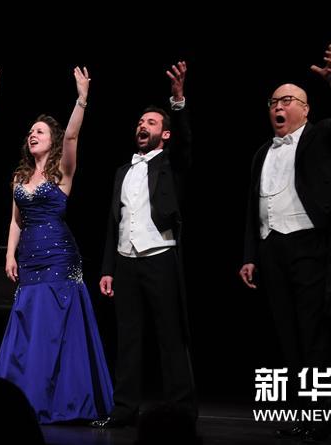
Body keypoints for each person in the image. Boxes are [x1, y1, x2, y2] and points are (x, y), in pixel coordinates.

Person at [239, 44, 331, 442]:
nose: (278, 106)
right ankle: (299, 413)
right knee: (287, 336)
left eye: (287, 100)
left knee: (314, 336)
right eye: (273, 102)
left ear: (305, 109)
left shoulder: (321, 135)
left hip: (310, 245)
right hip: (272, 248)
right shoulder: (261, 153)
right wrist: (250, 255)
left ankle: (319, 418)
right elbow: (253, 206)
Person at [0, 67, 114, 423]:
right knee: (30, 326)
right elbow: (15, 221)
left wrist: (82, 99)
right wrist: (10, 254)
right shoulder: (19, 177)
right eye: (30, 131)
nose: (33, 135)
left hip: (60, 256)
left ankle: (66, 401)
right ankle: (25, 399)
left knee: (55, 328)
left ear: (52, 139)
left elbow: (73, 135)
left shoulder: (62, 171)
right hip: (29, 259)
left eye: (40, 131)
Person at [93, 61, 197, 428]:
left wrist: (178, 101)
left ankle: (181, 410)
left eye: (151, 122)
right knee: (128, 338)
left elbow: (185, 143)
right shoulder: (123, 170)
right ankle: (124, 409)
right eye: (140, 121)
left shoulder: (170, 163)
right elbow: (114, 222)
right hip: (126, 261)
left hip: (160, 256)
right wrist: (108, 269)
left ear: (164, 134)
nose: (143, 125)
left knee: (170, 337)